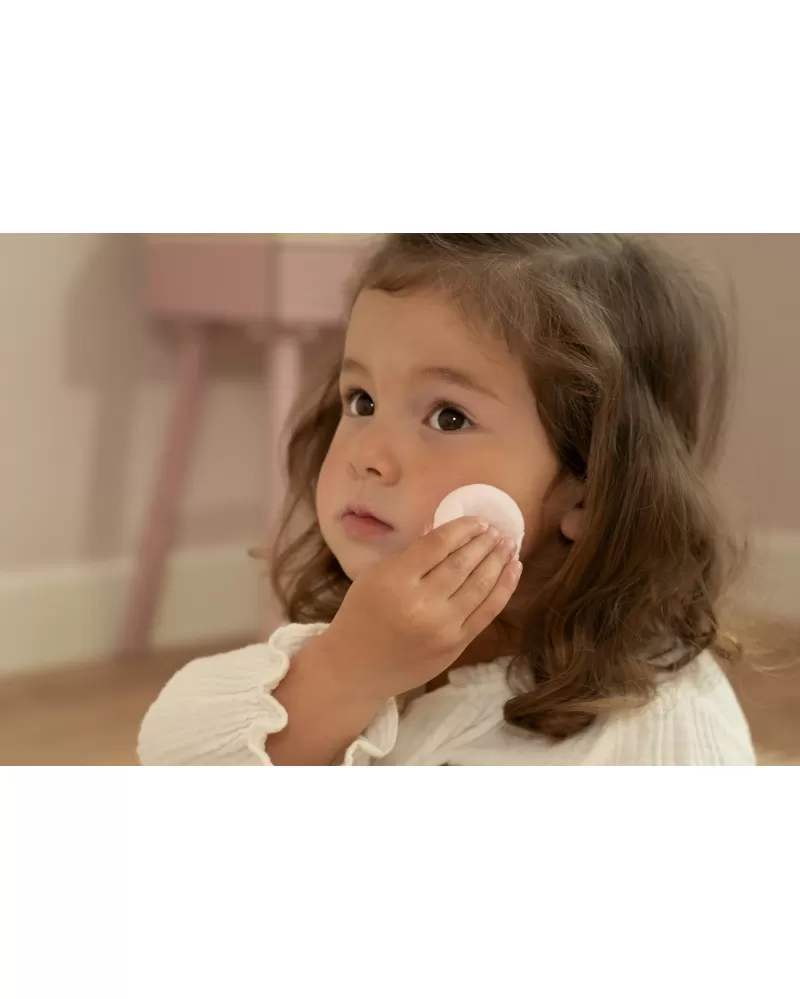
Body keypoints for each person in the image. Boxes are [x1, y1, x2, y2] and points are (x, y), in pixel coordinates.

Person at [138, 234, 756, 766]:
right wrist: (343, 673)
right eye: (361, 401)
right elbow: (172, 755)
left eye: (449, 417)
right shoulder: (349, 648)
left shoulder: (666, 725)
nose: (367, 454)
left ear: (587, 492)